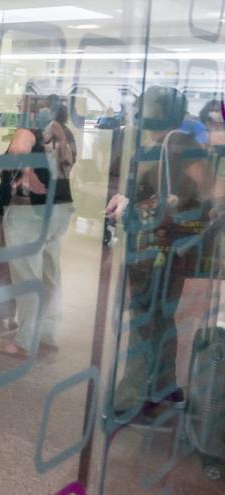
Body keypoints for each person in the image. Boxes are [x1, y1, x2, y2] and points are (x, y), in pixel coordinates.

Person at [106, 86, 215, 422]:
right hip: (157, 245)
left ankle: (131, 397)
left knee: (144, 320)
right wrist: (126, 200)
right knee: (157, 317)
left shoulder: (179, 144)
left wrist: (166, 210)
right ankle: (165, 387)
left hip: (162, 248)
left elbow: (207, 193)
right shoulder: (158, 145)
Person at [0, 96, 77, 359]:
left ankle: (24, 342)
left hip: (28, 211)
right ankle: (46, 335)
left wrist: (26, 172)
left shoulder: (30, 130)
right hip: (59, 208)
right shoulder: (66, 132)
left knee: (26, 276)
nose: (17, 107)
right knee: (50, 275)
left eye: (21, 103)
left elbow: (14, 154)